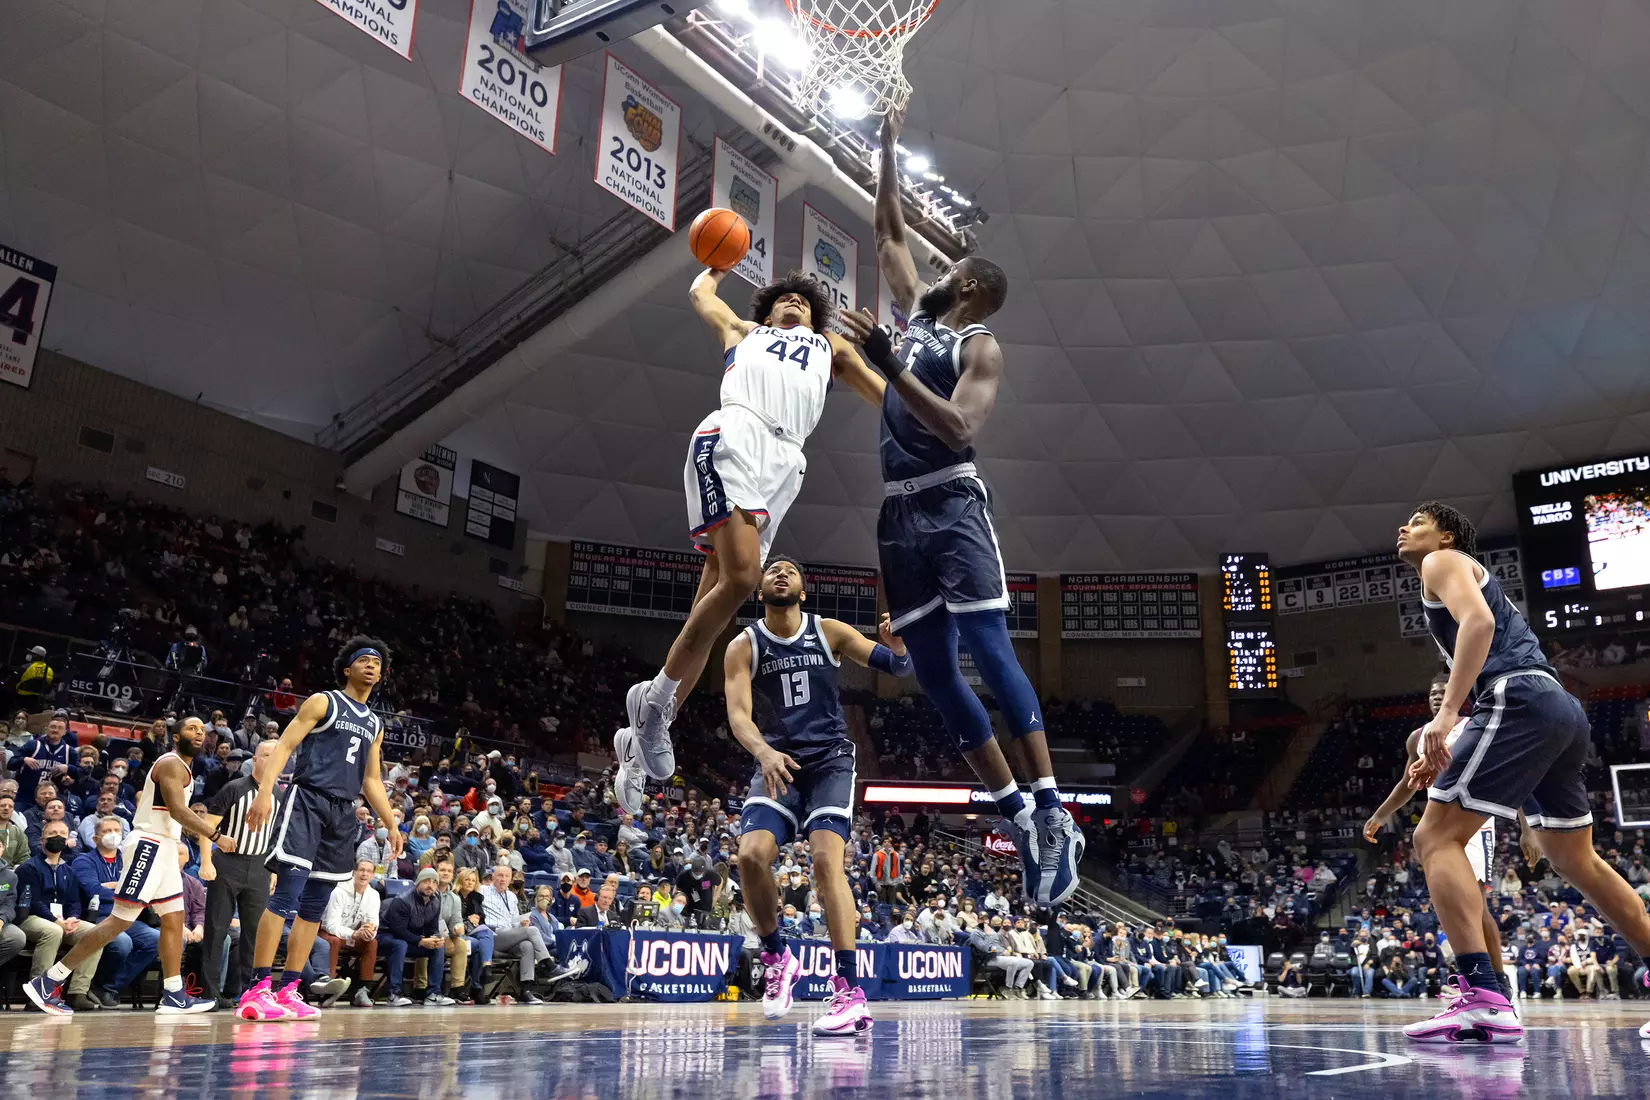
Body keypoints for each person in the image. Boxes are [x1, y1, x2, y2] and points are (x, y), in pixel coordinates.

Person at [837, 105, 1082, 906]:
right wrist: (884, 151)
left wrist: (890, 370)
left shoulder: (977, 345)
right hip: (898, 512)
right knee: (935, 676)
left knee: (988, 648)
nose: (936, 266)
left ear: (970, 286)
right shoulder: (911, 318)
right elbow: (887, 234)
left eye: (954, 264)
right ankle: (1014, 813)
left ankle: (1053, 814)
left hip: (950, 502)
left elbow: (959, 427)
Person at [610, 264, 884, 814]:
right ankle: (655, 700)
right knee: (742, 581)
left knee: (710, 606)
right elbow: (697, 293)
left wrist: (909, 385)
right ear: (767, 311)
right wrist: (715, 263)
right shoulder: (743, 331)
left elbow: (888, 400)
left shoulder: (828, 348)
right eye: (782, 299)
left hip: (785, 464)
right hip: (736, 431)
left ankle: (638, 746)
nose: (793, 303)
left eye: (802, 301)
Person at [1396, 502, 1650, 1044]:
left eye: (1417, 521)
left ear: (1444, 535)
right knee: (1577, 860)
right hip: (1556, 706)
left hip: (1518, 698)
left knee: (1434, 837)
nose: (1404, 528)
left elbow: (1480, 624)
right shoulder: (1454, 572)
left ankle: (1483, 997)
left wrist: (1445, 716)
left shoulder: (1441, 562)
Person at [728, 557, 913, 1036]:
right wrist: (764, 751)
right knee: (750, 856)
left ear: (804, 592)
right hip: (778, 761)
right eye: (772, 570)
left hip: (830, 760)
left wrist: (898, 643)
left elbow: (895, 664)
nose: (781, 573)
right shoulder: (743, 646)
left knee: (826, 863)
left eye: (790, 570)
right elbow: (739, 716)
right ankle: (777, 956)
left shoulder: (828, 630)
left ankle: (849, 991)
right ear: (760, 590)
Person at [238, 637, 402, 1021]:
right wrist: (265, 791)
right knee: (286, 895)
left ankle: (290, 988)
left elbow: (372, 780)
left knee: (314, 905)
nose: (371, 666)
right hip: (307, 801)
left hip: (343, 813)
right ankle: (258, 988)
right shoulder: (323, 702)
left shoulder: (375, 724)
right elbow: (284, 746)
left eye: (376, 663)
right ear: (347, 668)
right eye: (363, 660)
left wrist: (392, 822)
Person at [25, 716, 226, 1014]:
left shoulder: (185, 767)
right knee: (120, 920)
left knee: (173, 919)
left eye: (201, 729)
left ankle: (173, 993)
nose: (198, 733)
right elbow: (178, 810)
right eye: (191, 728)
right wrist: (216, 835)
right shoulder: (170, 763)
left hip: (167, 847)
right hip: (150, 844)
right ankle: (47, 982)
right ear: (174, 736)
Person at [1364, 670, 1513, 1000]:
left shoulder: (1474, 726)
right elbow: (1407, 784)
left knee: (1477, 903)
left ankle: (1498, 982)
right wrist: (1380, 815)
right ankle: (1478, 982)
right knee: (1455, 904)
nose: (1436, 695)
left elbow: (1509, 773)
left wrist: (1527, 827)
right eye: (1432, 691)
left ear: (1458, 694)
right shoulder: (1418, 737)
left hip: (1472, 821)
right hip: (1436, 825)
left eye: (1443, 690)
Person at [200, 739, 278, 1008]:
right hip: (227, 863)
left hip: (260, 867)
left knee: (255, 933)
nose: (271, 759)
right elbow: (206, 826)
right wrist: (206, 861)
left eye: (276, 755)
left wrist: (274, 869)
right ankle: (209, 994)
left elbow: (276, 836)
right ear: (255, 759)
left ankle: (249, 993)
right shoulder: (234, 788)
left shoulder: (279, 794)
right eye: (266, 754)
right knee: (216, 928)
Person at [375, 868, 454, 1007]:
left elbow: (433, 927)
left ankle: (433, 994)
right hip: (386, 937)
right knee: (400, 944)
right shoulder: (402, 900)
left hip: (411, 939)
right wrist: (421, 941)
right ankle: (394, 994)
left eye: (434, 882)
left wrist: (436, 938)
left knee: (438, 948)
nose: (430, 885)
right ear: (417, 883)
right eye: (426, 881)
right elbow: (398, 930)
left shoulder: (436, 899)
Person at [319, 859, 381, 1007]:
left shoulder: (374, 895)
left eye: (368, 871)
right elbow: (331, 926)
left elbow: (373, 923)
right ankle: (329, 988)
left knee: (372, 942)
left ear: (372, 875)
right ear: (354, 872)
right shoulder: (338, 891)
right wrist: (354, 934)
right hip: (328, 933)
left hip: (353, 935)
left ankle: (362, 990)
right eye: (361, 870)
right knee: (333, 941)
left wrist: (368, 932)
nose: (364, 874)